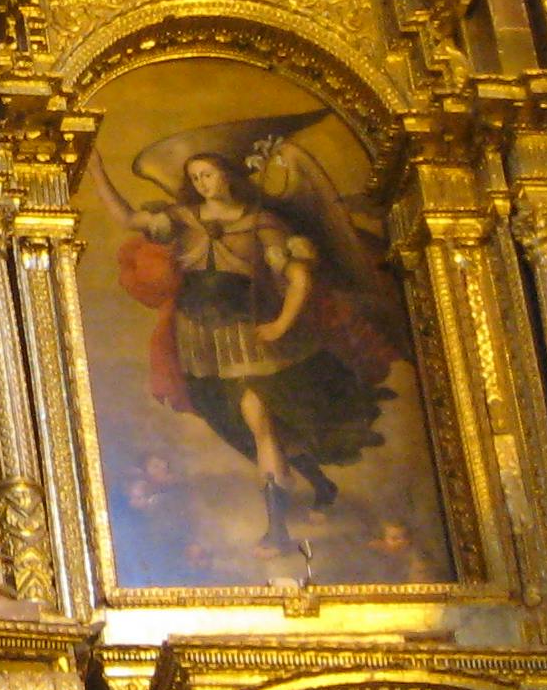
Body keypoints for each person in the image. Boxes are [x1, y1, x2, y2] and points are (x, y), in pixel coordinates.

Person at [94, 141, 404, 551]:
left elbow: (299, 279)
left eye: (209, 173)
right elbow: (127, 217)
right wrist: (95, 168)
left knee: (257, 421)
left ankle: (277, 529)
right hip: (198, 341)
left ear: (228, 174)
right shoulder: (184, 218)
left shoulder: (262, 224)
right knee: (231, 420)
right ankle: (317, 481)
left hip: (245, 337)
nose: (202, 183)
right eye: (195, 178)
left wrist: (280, 324)